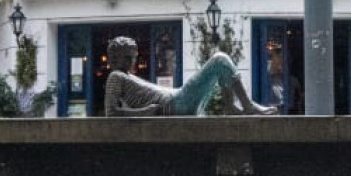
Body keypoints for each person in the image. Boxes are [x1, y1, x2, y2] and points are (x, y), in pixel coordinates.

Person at [102, 37, 278, 116]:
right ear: (114, 58)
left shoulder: (124, 76)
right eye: (127, 58)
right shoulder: (116, 76)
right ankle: (247, 106)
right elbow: (111, 112)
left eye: (132, 57)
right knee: (220, 59)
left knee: (220, 67)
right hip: (175, 103)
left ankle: (231, 106)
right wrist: (145, 112)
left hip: (176, 100)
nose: (132, 61)